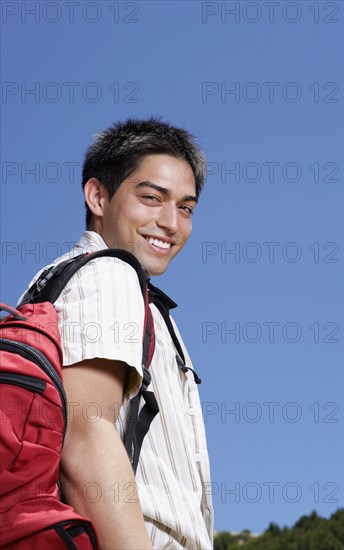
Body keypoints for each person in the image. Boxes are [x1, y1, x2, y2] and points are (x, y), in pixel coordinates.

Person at [19, 117, 213, 549]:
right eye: (151, 198)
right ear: (98, 196)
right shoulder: (109, 273)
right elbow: (85, 438)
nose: (171, 223)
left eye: (186, 208)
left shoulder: (54, 283)